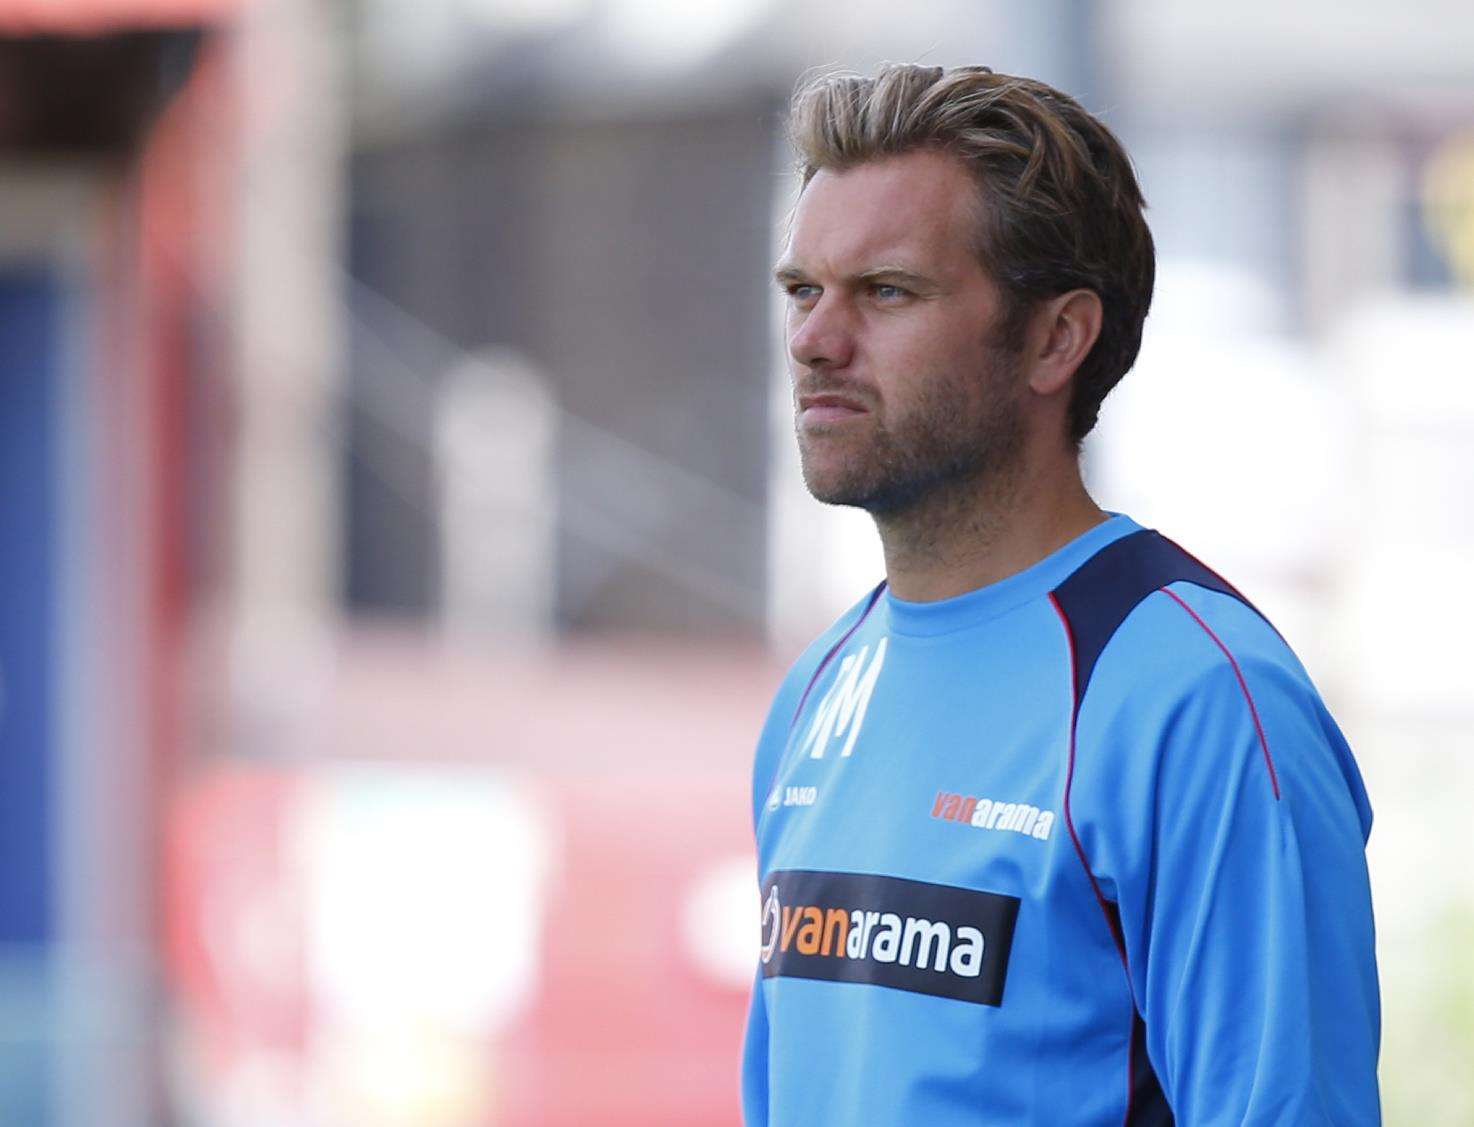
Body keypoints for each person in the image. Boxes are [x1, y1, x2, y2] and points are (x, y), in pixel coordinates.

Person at [741, 64, 1379, 1126]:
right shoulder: (816, 690)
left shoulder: (1194, 695)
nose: (815, 339)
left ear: (1056, 338)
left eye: (886, 290)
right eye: (804, 289)